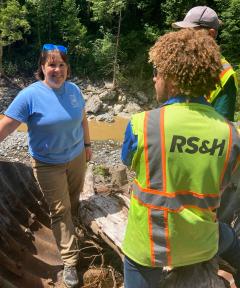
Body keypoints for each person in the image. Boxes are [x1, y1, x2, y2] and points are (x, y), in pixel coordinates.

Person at [121, 29, 240, 288]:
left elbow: (129, 161)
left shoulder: (141, 124)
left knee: (133, 261)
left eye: (157, 72)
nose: (154, 79)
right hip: (201, 243)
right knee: (227, 236)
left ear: (173, 78)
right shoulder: (231, 134)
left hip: (150, 245)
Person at [0, 43, 92, 288]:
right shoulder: (30, 95)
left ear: (67, 68)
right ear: (42, 67)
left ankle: (74, 232)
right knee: (60, 209)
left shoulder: (74, 90)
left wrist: (88, 144)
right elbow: (7, 125)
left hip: (76, 158)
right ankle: (70, 261)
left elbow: (82, 117)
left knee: (73, 200)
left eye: (61, 64)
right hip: (48, 165)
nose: (57, 70)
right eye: (52, 64)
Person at [172, 6, 238, 121]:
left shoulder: (225, 74)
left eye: (190, 31)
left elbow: (223, 125)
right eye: (182, 31)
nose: (183, 36)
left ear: (211, 34)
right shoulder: (181, 62)